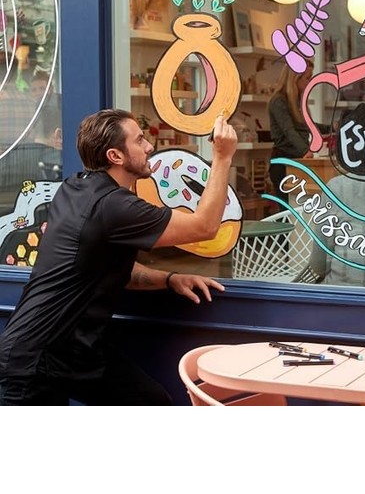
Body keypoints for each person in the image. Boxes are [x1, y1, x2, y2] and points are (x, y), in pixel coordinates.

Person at [0, 108, 237, 405]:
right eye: (139, 140)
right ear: (115, 156)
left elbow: (106, 265)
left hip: (76, 352)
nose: (149, 146)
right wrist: (222, 157)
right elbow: (205, 227)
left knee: (152, 403)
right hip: (34, 360)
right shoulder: (113, 206)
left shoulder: (76, 187)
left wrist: (169, 279)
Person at [268, 59, 328, 200]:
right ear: (295, 78)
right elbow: (289, 130)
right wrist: (305, 151)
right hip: (283, 164)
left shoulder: (297, 102)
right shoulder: (279, 101)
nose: (310, 82)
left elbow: (309, 125)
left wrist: (333, 127)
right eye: (307, 78)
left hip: (296, 162)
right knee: (288, 207)